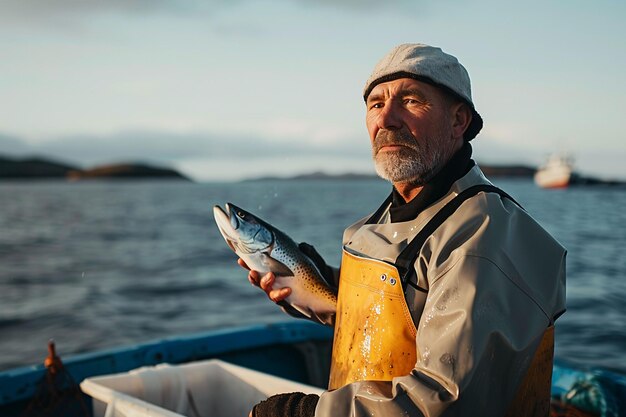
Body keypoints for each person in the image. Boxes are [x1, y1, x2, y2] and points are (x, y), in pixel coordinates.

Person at [241, 43, 566, 417]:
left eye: (411, 100)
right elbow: (400, 314)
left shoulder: (484, 237)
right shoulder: (378, 224)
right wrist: (316, 285)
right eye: (375, 104)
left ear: (459, 121)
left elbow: (444, 400)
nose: (387, 119)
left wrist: (306, 413)